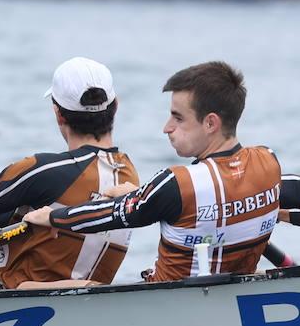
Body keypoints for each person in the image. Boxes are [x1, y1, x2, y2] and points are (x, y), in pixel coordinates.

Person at [25, 61, 281, 281]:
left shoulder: (176, 184)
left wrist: (54, 217)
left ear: (210, 123)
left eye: (178, 118)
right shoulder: (268, 162)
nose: (166, 127)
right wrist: (144, 195)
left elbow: (111, 214)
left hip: (173, 306)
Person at [0, 58, 139, 288]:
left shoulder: (45, 170)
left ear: (59, 114)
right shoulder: (129, 175)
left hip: (17, 303)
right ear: (115, 105)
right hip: (91, 304)